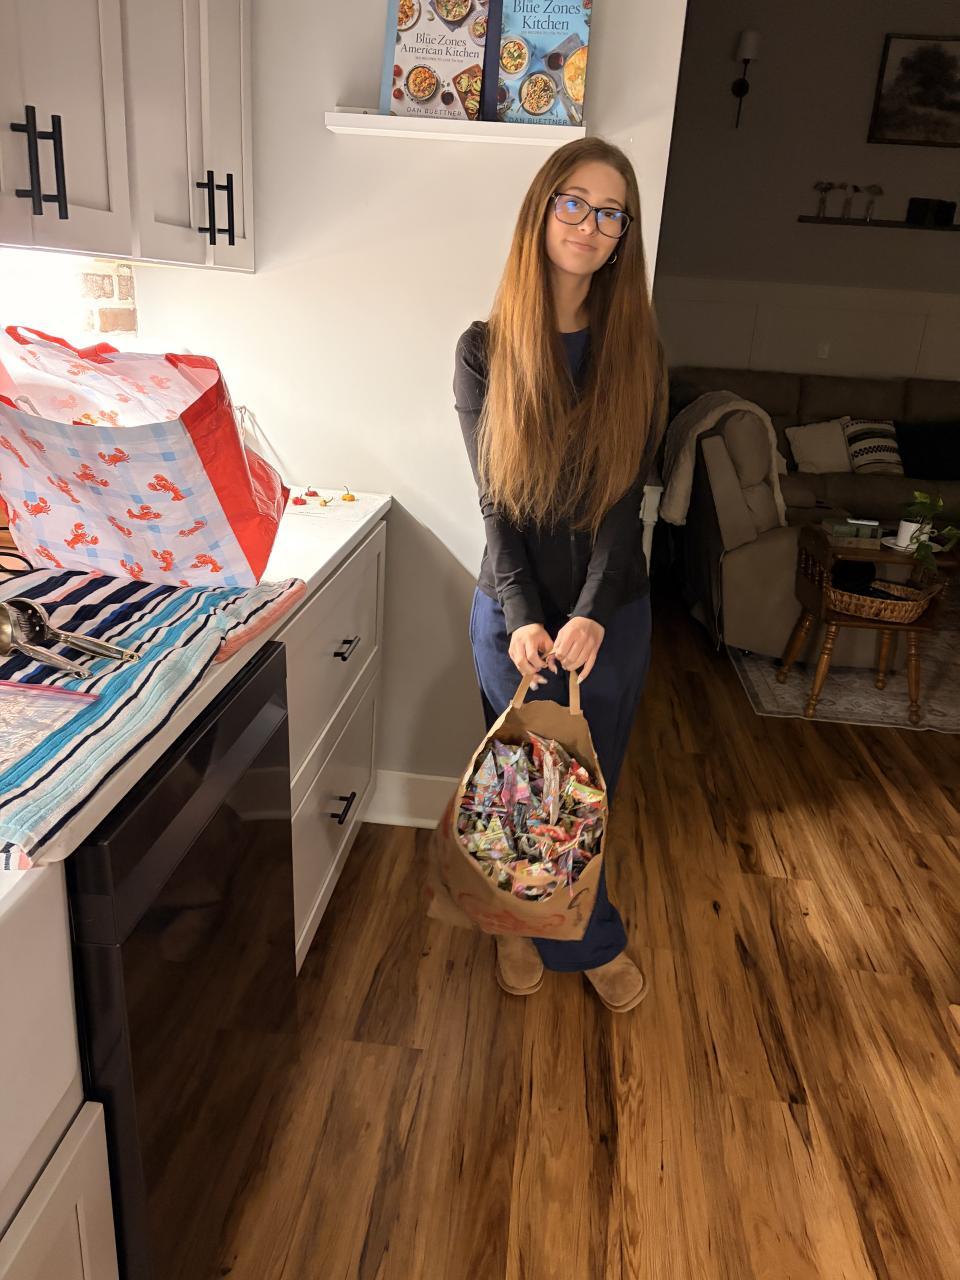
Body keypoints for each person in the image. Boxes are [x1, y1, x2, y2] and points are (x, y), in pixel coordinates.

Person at [453, 136, 667, 1014]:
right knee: (520, 792)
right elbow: (494, 500)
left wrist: (591, 613)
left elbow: (624, 506)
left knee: (584, 790)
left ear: (623, 237)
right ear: (542, 212)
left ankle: (587, 941)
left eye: (610, 213)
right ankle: (518, 928)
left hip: (609, 616)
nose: (589, 223)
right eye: (574, 202)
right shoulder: (484, 350)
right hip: (514, 613)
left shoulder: (639, 355)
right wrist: (523, 614)